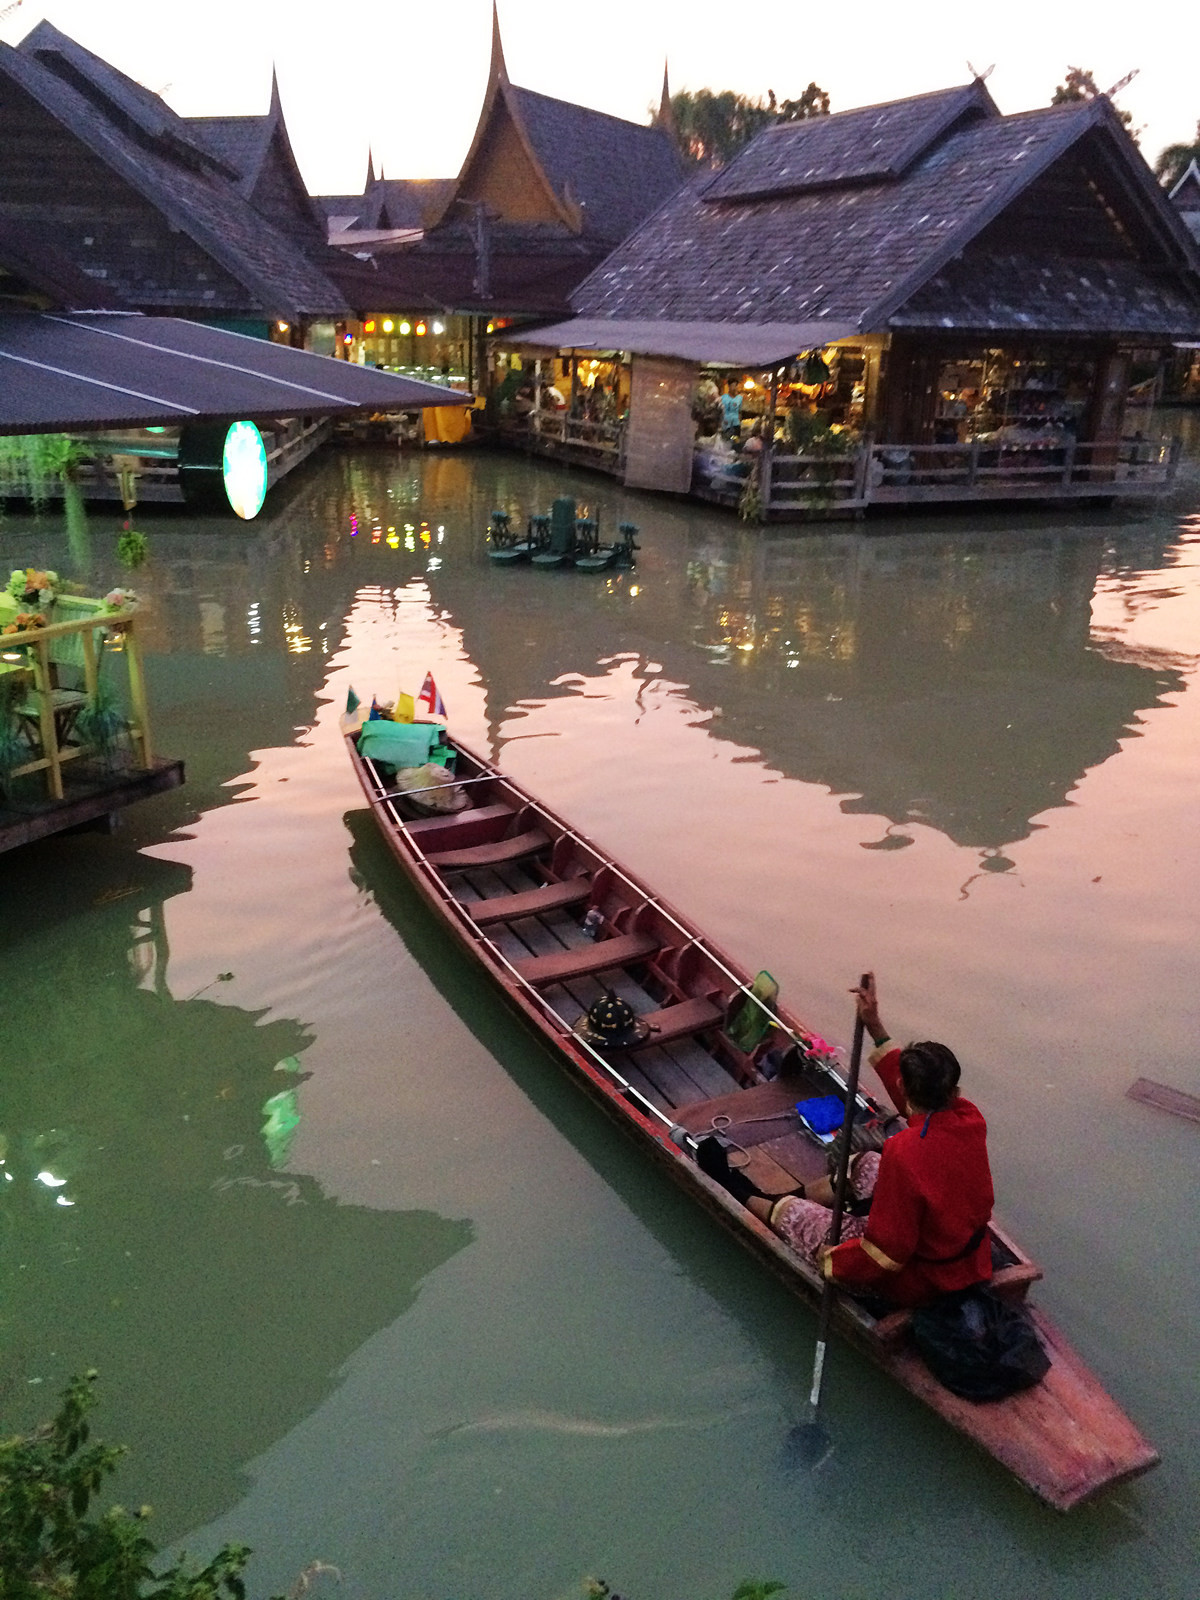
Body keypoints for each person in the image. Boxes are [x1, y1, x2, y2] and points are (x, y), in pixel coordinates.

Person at [740, 974, 995, 1307]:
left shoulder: (905, 1152)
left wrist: (832, 1262)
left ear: (904, 1088)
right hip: (971, 1256)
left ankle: (747, 1194)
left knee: (793, 1216)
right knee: (864, 1164)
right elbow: (919, 1106)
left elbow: (886, 1256)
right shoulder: (968, 1116)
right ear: (954, 1092)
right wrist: (874, 1026)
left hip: (924, 1280)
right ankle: (804, 1196)